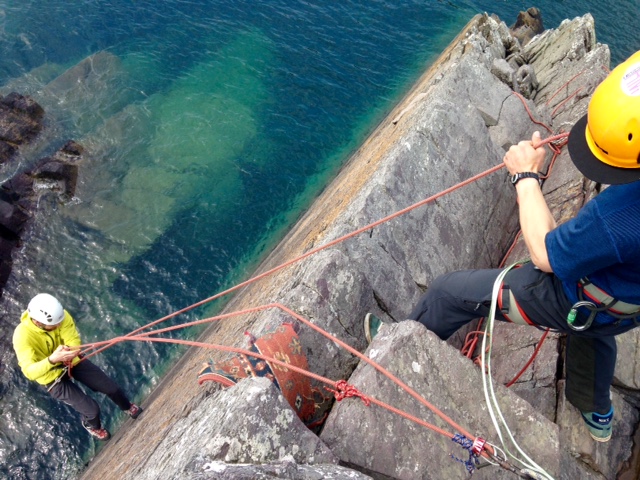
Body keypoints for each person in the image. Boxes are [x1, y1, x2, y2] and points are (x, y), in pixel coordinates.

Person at [365, 50, 640, 443]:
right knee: (594, 331)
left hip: (583, 296)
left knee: (448, 293)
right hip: (627, 304)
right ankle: (597, 411)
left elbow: (546, 257)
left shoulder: (622, 215)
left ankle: (395, 352)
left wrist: (525, 177)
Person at [12, 293, 143, 441]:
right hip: (51, 377)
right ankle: (93, 426)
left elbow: (72, 338)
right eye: (54, 325)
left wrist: (70, 352)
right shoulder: (21, 336)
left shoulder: (61, 317)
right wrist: (52, 360)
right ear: (38, 322)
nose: (58, 325)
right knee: (92, 410)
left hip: (70, 359)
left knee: (112, 388)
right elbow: (29, 372)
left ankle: (126, 407)